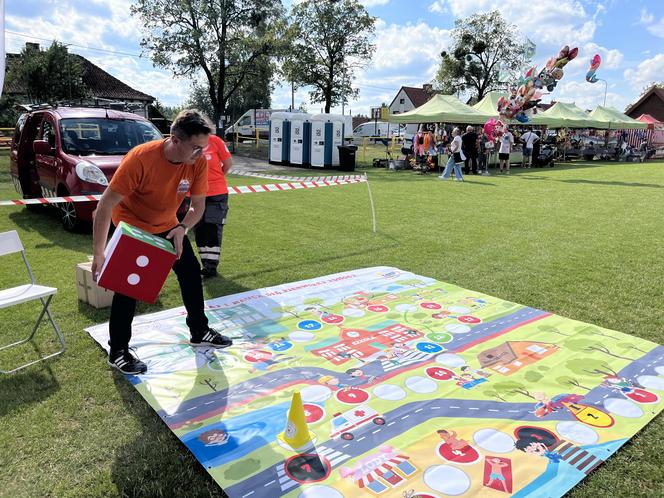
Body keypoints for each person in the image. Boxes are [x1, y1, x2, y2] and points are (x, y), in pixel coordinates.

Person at [92, 109, 233, 374]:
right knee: (129, 288)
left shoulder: (197, 162)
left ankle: (199, 329)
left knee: (190, 273)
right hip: (134, 228)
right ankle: (118, 350)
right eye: (195, 148)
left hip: (169, 226)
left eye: (203, 148)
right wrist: (99, 253)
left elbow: (198, 206)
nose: (199, 154)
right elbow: (105, 206)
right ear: (175, 140)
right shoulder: (141, 158)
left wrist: (182, 228)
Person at [196, 133, 233, 278]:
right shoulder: (188, 141)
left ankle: (211, 266)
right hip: (195, 194)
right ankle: (205, 263)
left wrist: (215, 179)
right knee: (199, 229)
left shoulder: (216, 141)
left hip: (216, 193)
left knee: (212, 228)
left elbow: (228, 164)